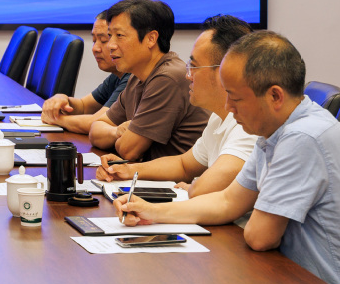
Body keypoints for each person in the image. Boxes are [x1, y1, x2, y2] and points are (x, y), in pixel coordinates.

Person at [116, 31, 340, 284]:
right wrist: (150, 211)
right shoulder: (275, 128)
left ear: (275, 96)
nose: (228, 107)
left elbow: (259, 236)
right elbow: (227, 201)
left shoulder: (302, 137)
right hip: (290, 279)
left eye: (236, 98)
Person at [96, 15, 257, 197]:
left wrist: (193, 187)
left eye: (194, 66)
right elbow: (183, 165)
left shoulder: (249, 126)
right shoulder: (218, 118)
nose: (188, 75)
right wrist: (128, 170)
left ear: (225, 71)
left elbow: (206, 186)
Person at [89, 0, 209, 160]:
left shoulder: (167, 78)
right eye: (110, 36)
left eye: (119, 35)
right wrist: (116, 131)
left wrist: (121, 135)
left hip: (178, 177)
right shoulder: (136, 77)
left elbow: (128, 150)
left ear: (151, 38)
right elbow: (95, 130)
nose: (111, 45)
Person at [41, 12, 129, 134]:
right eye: (94, 40)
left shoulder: (131, 77)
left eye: (103, 40)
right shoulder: (116, 75)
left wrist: (56, 119)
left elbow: (96, 122)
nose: (95, 48)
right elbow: (83, 106)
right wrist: (62, 99)